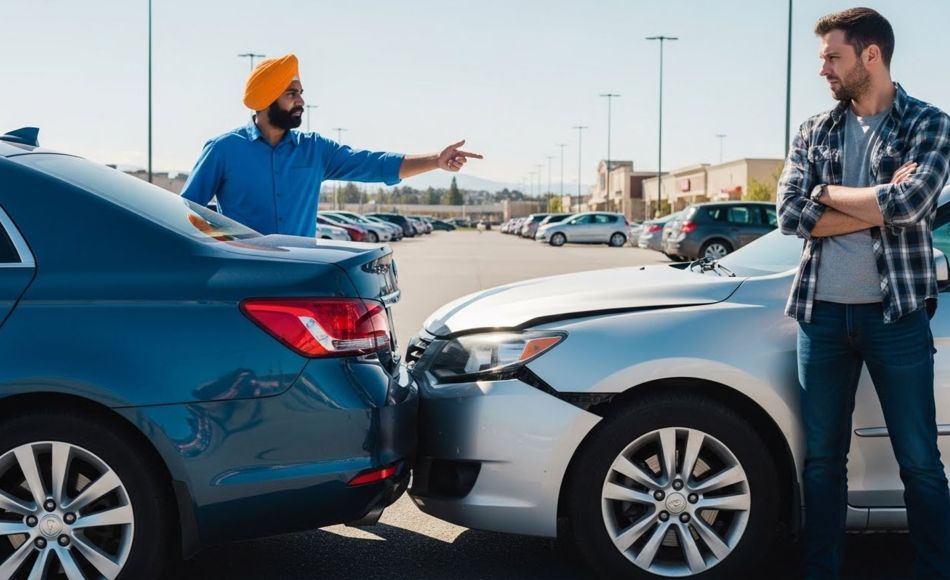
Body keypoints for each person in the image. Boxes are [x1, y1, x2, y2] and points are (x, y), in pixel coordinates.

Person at [776, 7, 950, 578]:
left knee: (920, 462)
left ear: (869, 54)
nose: (823, 67)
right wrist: (871, 198)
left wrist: (827, 192)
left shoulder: (928, 123)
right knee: (823, 462)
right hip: (820, 318)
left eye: (833, 56)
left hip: (895, 317)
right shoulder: (813, 130)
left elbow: (911, 205)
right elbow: (790, 215)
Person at [181, 54, 482, 237]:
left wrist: (436, 160)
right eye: (291, 93)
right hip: (242, 281)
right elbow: (188, 213)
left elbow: (374, 165)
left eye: (300, 92)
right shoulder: (223, 150)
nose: (301, 101)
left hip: (302, 279)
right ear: (264, 101)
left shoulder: (315, 150)